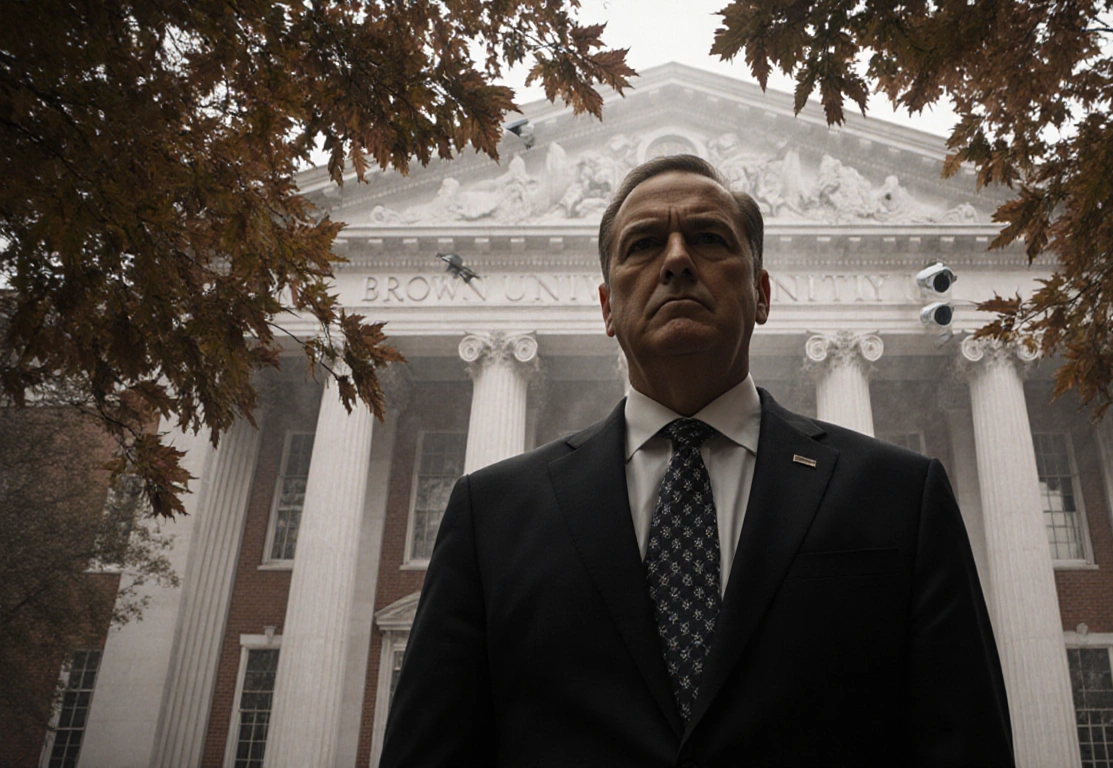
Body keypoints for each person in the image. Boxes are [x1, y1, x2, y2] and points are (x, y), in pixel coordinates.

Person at [380, 155, 1014, 766]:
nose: (677, 260)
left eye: (710, 239)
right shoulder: (491, 516)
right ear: (606, 307)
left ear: (762, 293)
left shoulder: (901, 498)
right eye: (644, 244)